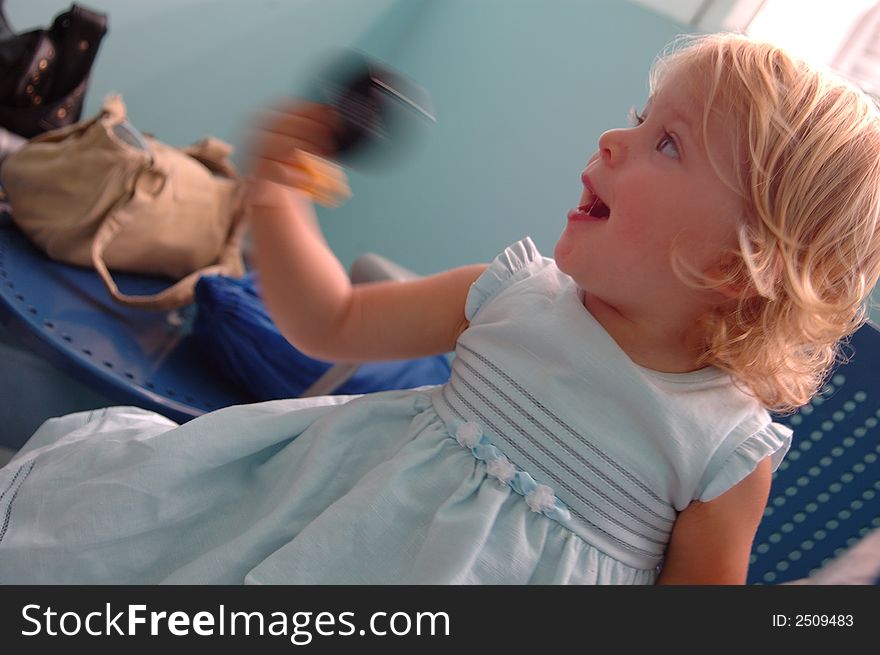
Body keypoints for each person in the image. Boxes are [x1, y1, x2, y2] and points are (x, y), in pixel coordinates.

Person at [1, 32, 879, 585]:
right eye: (639, 116)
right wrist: (274, 195)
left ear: (741, 263)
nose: (613, 138)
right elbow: (333, 321)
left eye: (667, 142)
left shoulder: (724, 451)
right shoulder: (515, 296)